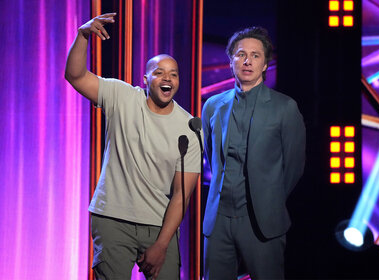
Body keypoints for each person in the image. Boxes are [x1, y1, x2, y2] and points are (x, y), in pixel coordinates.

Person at [65, 13, 200, 280]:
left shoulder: (189, 127)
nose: (167, 78)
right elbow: (75, 75)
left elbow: (181, 196)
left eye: (173, 74)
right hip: (112, 219)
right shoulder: (122, 96)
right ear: (146, 78)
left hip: (159, 226)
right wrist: (83, 35)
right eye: (159, 72)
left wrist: (161, 245)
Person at [202, 26, 306, 279]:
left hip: (262, 219)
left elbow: (293, 166)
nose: (247, 61)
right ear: (231, 62)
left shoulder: (285, 107)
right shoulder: (213, 106)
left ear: (265, 65)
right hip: (219, 219)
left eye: (255, 55)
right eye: (240, 54)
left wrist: (269, 198)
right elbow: (211, 156)